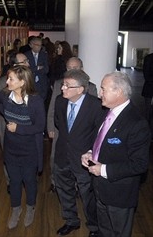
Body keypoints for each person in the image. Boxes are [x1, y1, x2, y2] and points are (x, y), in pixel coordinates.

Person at [81, 71, 151, 237]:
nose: (99, 93)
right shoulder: (107, 112)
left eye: (103, 89)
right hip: (100, 189)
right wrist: (90, 153)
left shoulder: (136, 123)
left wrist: (102, 170)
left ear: (118, 92)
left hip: (119, 195)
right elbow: (102, 141)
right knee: (104, 231)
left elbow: (139, 164)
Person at [0, 65, 45, 229]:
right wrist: (8, 120)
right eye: (8, 78)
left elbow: (40, 126)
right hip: (10, 149)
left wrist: (19, 128)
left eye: (11, 79)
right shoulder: (4, 95)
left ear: (22, 82)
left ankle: (30, 208)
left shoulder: (36, 100)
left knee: (30, 181)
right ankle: (16, 209)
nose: (7, 81)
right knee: (14, 181)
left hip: (29, 149)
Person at [54, 69, 103, 237]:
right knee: (64, 191)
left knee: (88, 196)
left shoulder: (96, 105)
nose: (63, 88)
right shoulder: (60, 101)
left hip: (83, 160)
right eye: (63, 84)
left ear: (81, 89)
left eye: (67, 86)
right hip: (62, 156)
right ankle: (71, 221)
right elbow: (59, 125)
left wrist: (90, 152)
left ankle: (94, 227)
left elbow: (99, 134)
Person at [47, 57, 97, 192]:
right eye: (69, 68)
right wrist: (50, 127)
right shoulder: (59, 84)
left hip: (81, 135)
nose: (71, 71)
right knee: (55, 157)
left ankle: (76, 186)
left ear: (81, 69)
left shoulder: (90, 87)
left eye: (75, 68)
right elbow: (53, 107)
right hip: (61, 130)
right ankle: (55, 182)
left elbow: (94, 115)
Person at [0, 52, 30, 194]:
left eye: (27, 60)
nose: (28, 63)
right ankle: (11, 182)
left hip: (26, 126)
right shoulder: (4, 82)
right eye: (24, 62)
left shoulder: (29, 79)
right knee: (10, 154)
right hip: (8, 125)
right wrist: (10, 115)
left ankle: (26, 179)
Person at [24, 36, 49, 100]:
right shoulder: (26, 55)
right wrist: (37, 68)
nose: (39, 47)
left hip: (42, 84)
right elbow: (26, 69)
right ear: (31, 45)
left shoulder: (44, 55)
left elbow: (46, 69)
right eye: (37, 45)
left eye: (41, 45)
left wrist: (33, 69)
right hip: (30, 83)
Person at [142, 53, 153, 136]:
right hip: (150, 87)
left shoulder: (148, 58)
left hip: (149, 86)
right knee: (147, 110)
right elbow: (146, 74)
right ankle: (146, 129)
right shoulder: (149, 58)